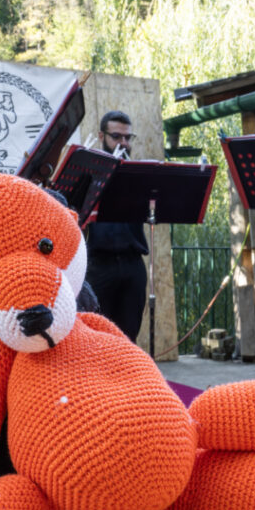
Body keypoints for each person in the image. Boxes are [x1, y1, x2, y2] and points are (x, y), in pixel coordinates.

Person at [83, 110, 149, 342]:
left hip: (132, 263)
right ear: (101, 136)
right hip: (98, 264)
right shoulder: (87, 172)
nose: (123, 143)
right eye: (116, 137)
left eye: (128, 138)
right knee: (98, 336)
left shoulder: (138, 174)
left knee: (128, 336)